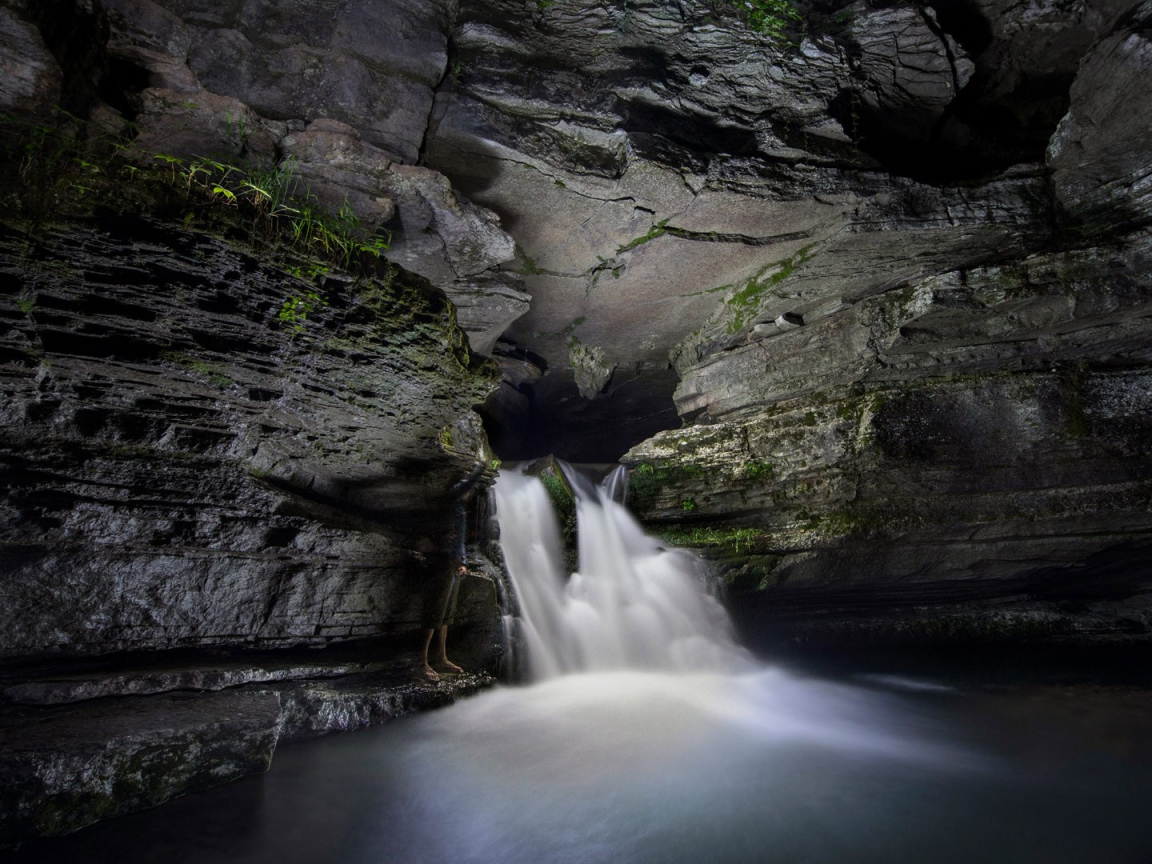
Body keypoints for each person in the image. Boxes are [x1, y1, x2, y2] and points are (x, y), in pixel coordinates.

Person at [421, 463, 484, 681]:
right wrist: (482, 467)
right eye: (467, 489)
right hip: (440, 561)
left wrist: (464, 562)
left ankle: (441, 657)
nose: (470, 493)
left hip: (454, 563)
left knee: (447, 613)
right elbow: (464, 485)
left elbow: (460, 541)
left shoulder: (460, 511)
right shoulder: (449, 502)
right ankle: (422, 661)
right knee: (434, 612)